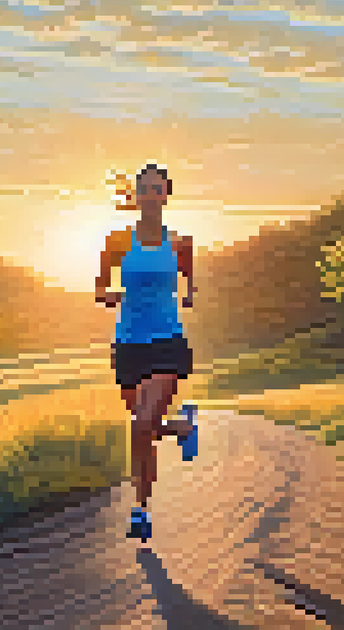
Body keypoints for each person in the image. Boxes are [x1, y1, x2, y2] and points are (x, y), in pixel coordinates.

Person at [95, 163, 199, 542]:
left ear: (166, 195)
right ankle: (183, 426)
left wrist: (187, 295)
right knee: (146, 429)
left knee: (141, 425)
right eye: (144, 190)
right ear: (136, 197)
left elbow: (189, 279)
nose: (151, 196)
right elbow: (99, 288)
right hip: (128, 344)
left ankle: (141, 510)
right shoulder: (119, 240)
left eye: (157, 189)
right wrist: (111, 295)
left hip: (167, 342)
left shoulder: (180, 243)